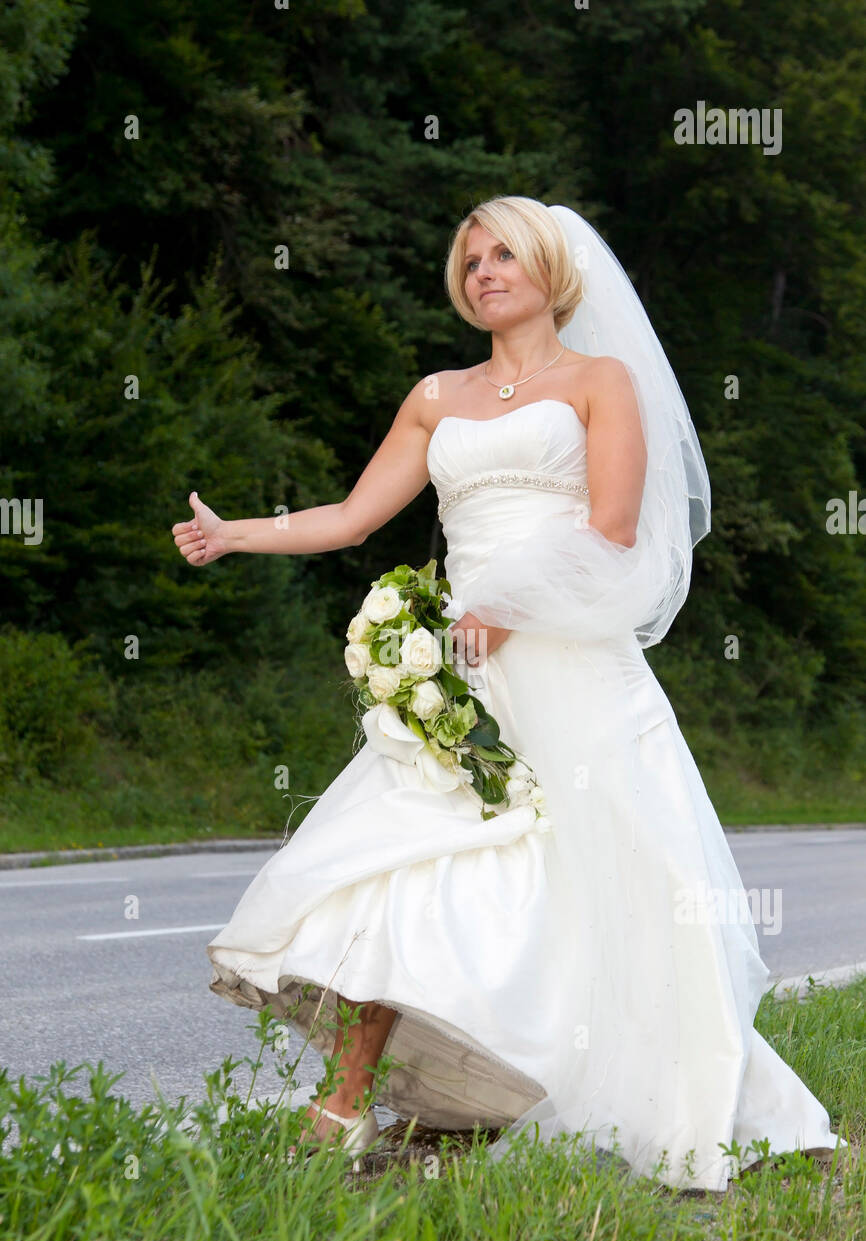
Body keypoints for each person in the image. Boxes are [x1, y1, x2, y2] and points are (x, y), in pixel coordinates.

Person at [172, 195, 845, 1189]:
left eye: (503, 255)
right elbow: (355, 515)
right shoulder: (435, 396)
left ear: (548, 271)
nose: (483, 269)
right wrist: (235, 533)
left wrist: (510, 601)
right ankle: (343, 1109)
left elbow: (613, 527)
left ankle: (632, 1096)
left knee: (611, 890)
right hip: (466, 679)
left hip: (573, 665)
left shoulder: (598, 382)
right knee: (409, 866)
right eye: (470, 258)